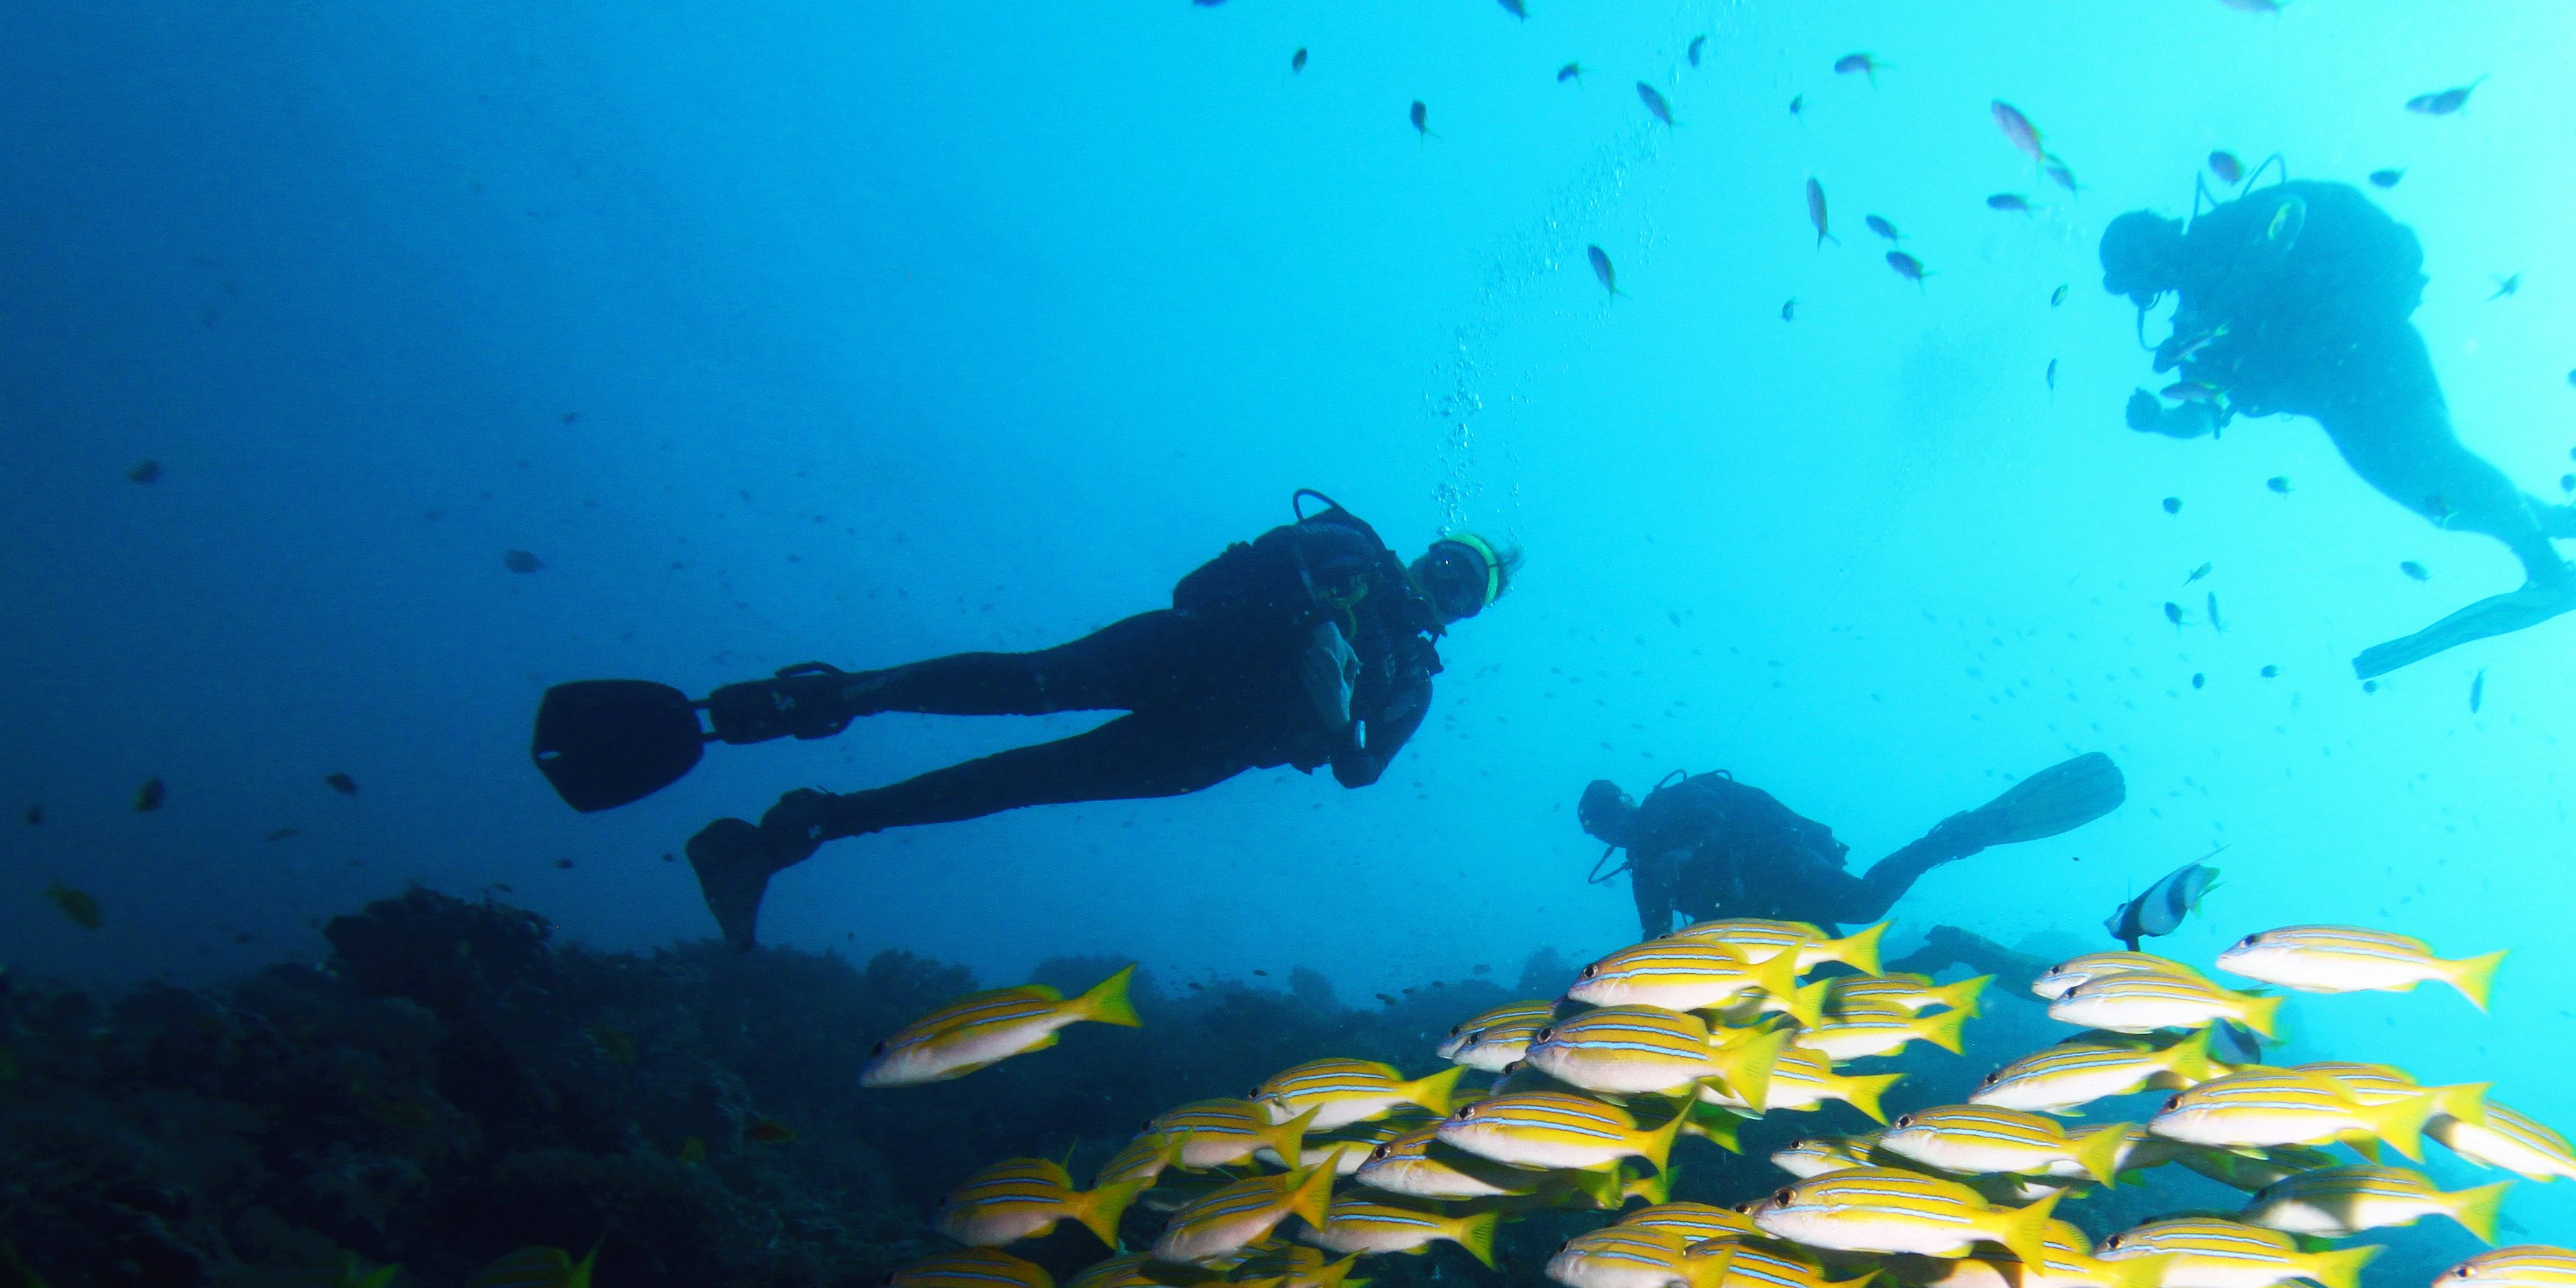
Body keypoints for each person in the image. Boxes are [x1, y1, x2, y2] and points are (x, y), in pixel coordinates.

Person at [542, 493, 1513, 949]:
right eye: (1449, 564)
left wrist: (1337, 701)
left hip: (1205, 748)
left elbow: (1355, 773)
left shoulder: (1410, 686)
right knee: (1027, 682)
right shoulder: (1343, 547)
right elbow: (1195, 587)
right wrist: (1299, 604)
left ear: (1468, 614)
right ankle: (805, 701)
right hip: (1179, 654)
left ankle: (806, 827)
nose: (1447, 586)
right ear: (1427, 551)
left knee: (1018, 783)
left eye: (1467, 591)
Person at [2098, 179, 2576, 681]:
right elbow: (2213, 406)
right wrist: (2164, 421)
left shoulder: (2240, 228)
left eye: (2137, 274)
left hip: (2370, 354)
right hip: (2334, 403)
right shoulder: (2202, 327)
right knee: (2461, 506)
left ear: (2150, 248)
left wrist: (2246, 284)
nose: (2145, 291)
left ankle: (2549, 576)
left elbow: (2301, 220)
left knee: (2443, 463)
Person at [1576, 754, 2126, 940]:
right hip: (1761, 919)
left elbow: (1718, 811)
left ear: (1624, 804)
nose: (1609, 831)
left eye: (1607, 818)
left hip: (1784, 870)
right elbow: (1655, 933)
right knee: (1836, 975)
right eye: (1597, 830)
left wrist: (1687, 848)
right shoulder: (1642, 869)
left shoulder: (1673, 805)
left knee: (1865, 905)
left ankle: (1952, 838)